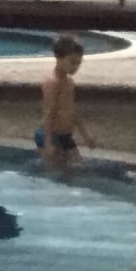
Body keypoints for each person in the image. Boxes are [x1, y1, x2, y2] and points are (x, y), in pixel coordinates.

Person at [35, 34, 96, 170]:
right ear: (58, 58)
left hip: (65, 135)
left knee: (78, 168)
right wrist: (47, 142)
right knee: (56, 173)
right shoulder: (52, 83)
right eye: (72, 62)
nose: (75, 67)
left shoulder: (69, 82)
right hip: (50, 135)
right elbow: (48, 112)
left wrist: (86, 134)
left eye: (79, 63)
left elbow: (73, 110)